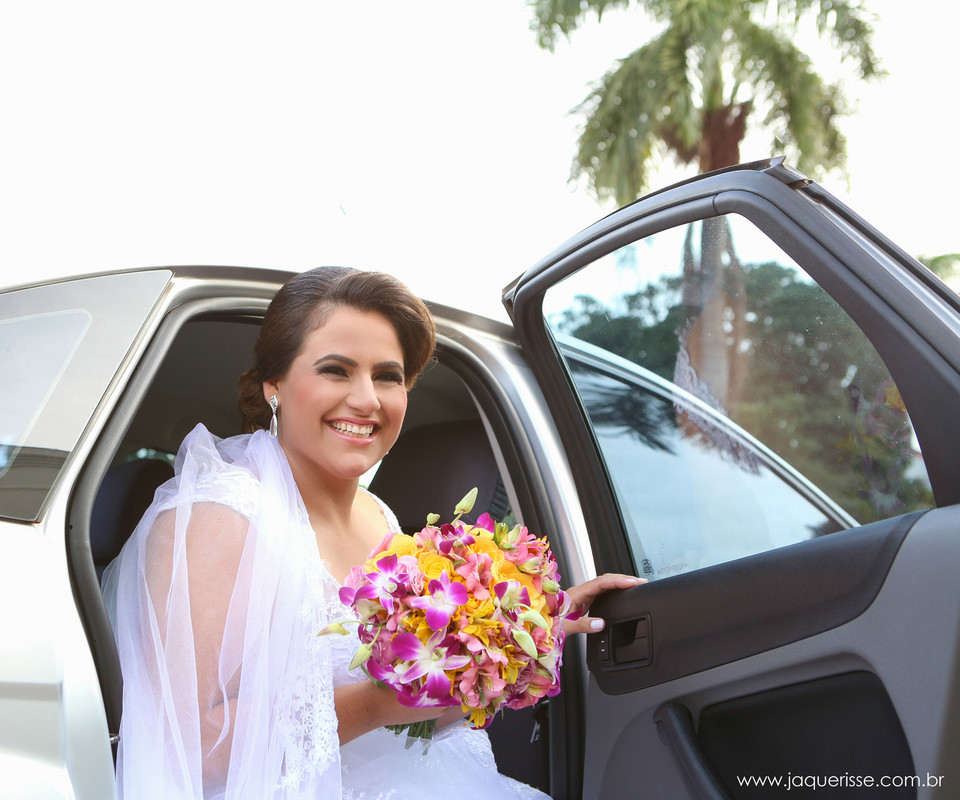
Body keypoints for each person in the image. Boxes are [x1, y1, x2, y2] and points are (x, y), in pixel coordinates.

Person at [101, 266, 643, 799]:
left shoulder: (380, 517)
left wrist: (515, 631)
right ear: (275, 385)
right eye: (336, 370)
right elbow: (188, 746)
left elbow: (420, 710)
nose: (367, 400)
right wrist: (379, 703)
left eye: (388, 376)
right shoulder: (221, 518)